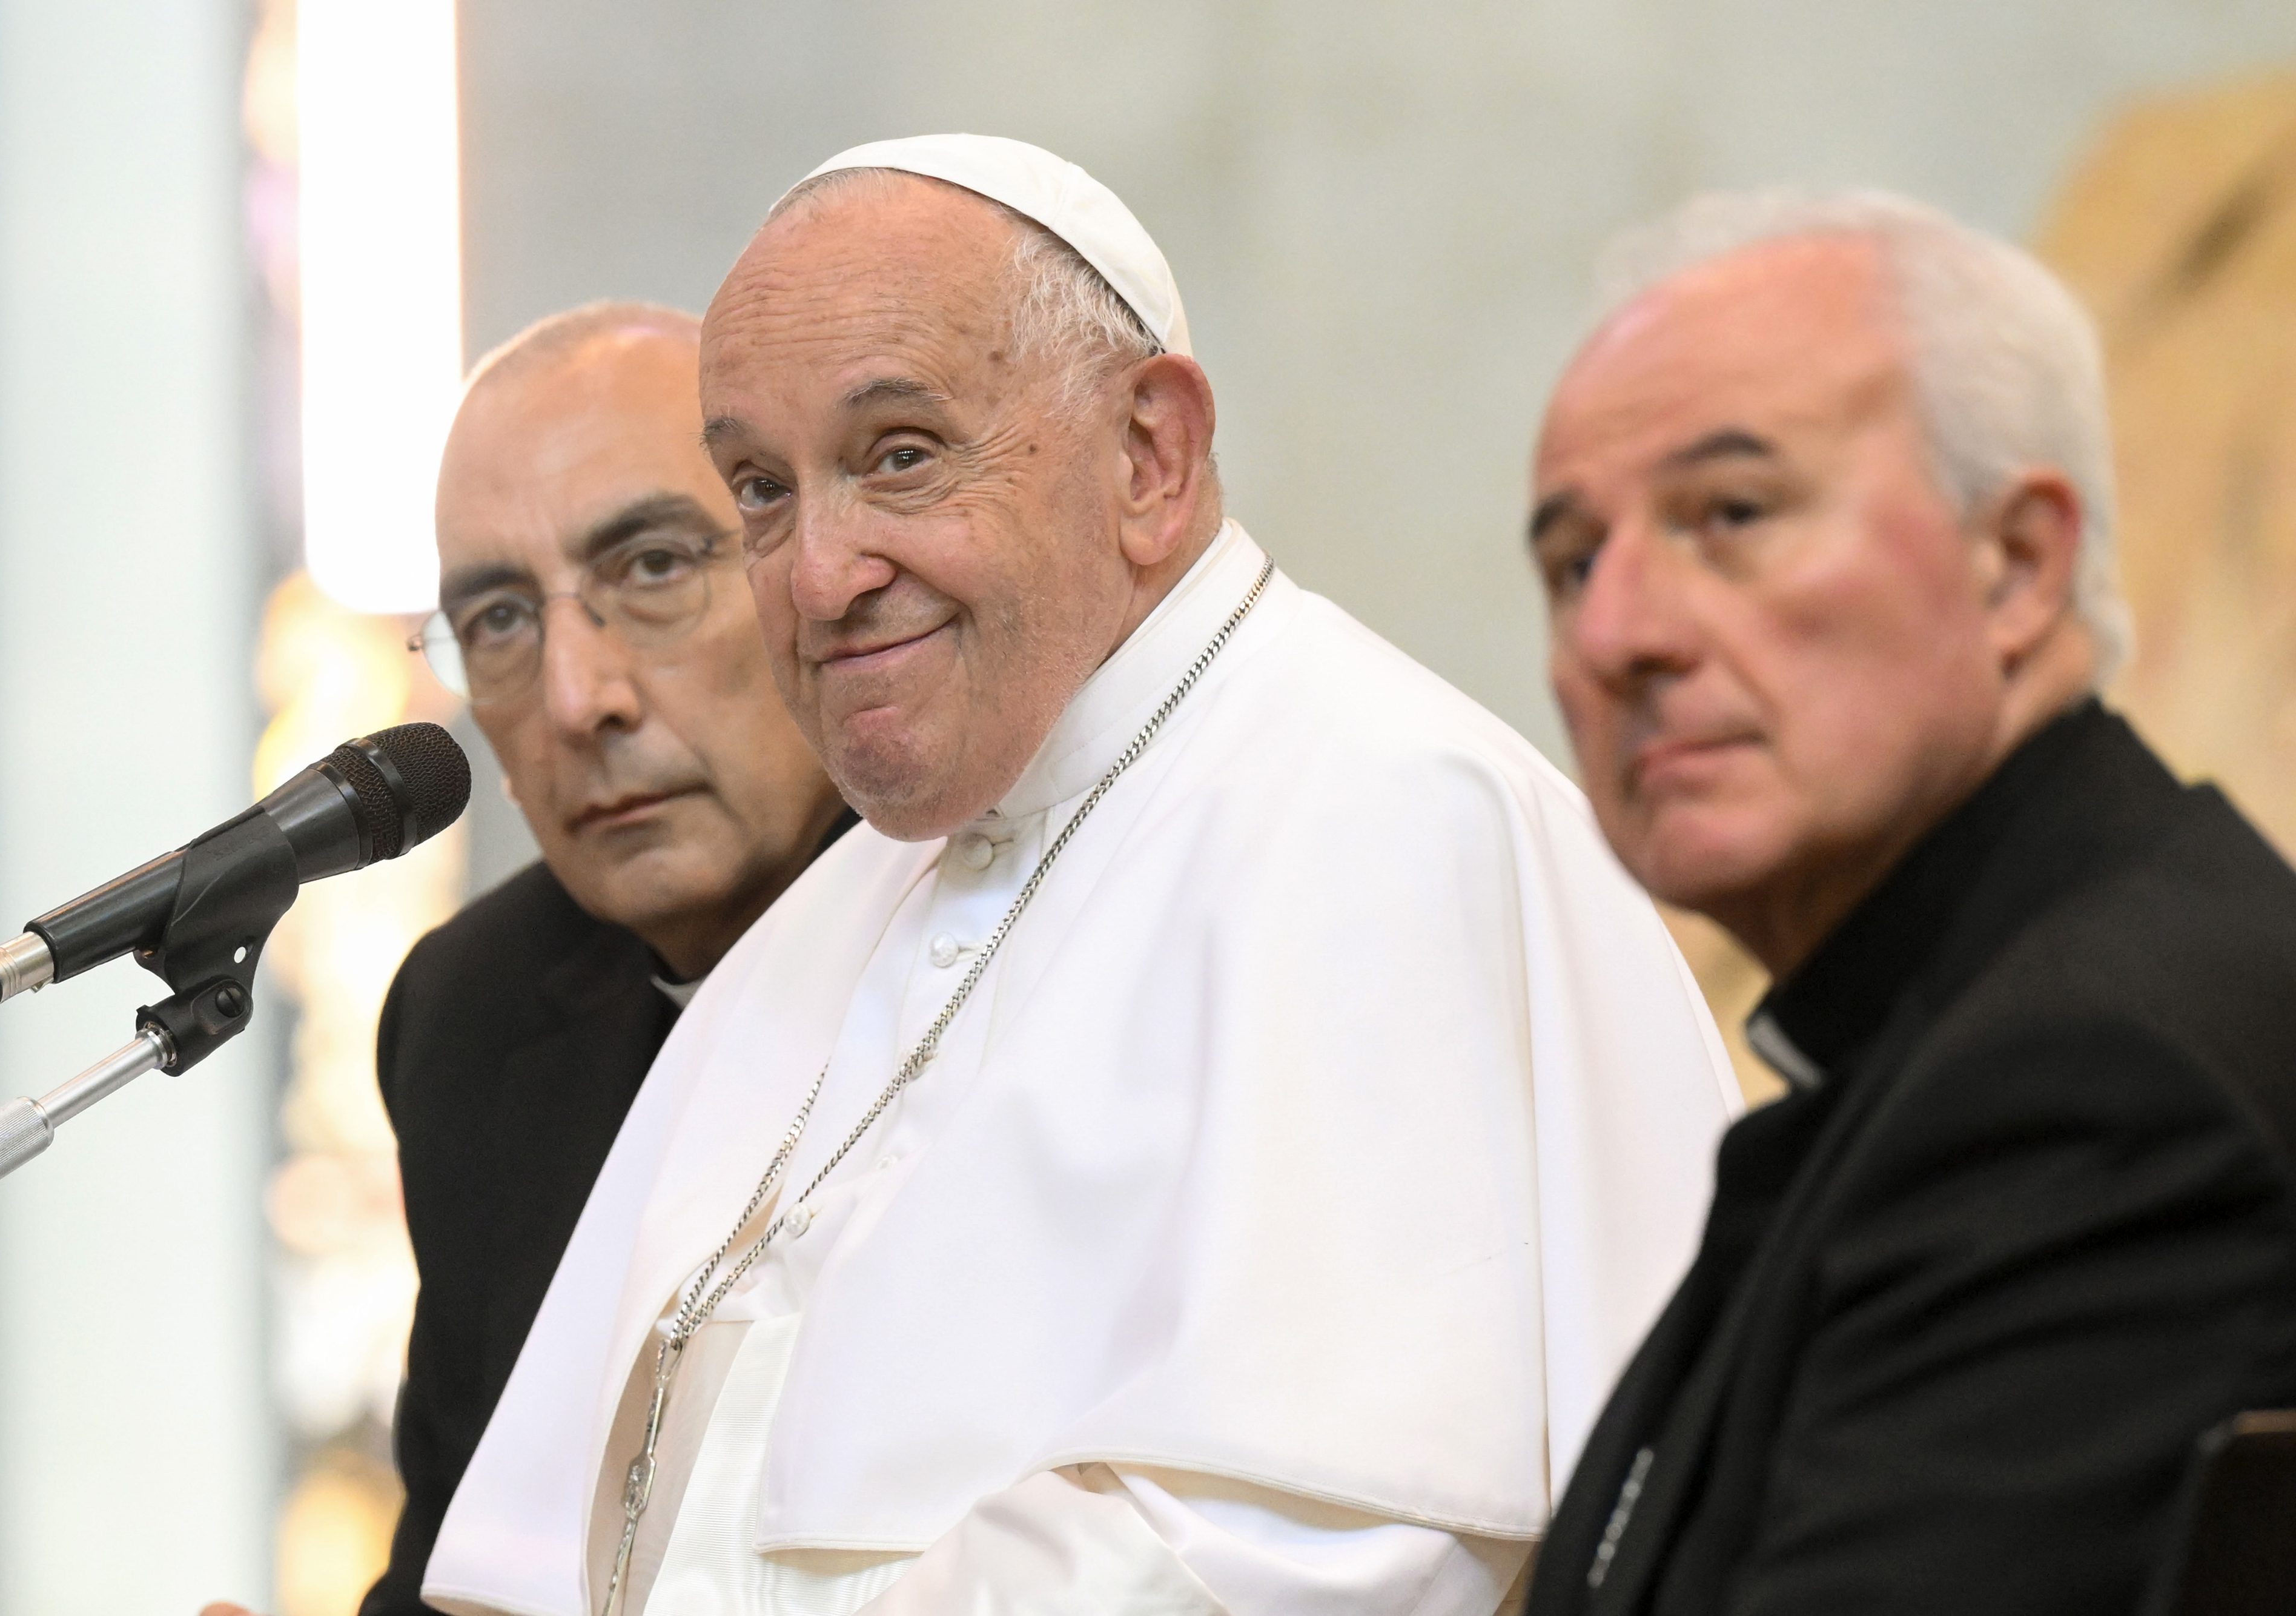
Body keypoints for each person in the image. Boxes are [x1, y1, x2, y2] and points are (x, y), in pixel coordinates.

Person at [423, 136, 1738, 1616]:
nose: (814, 573)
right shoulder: (848, 907)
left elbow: (1298, 1562)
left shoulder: (1391, 818)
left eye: (899, 454)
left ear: (1147, 456)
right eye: (760, 490)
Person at [1521, 190, 2296, 1616]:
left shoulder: (2088, 1080)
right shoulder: (1969, 1013)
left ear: (2014, 564)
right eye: (1573, 562)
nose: (1619, 631)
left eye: (1730, 513)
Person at [361, 302, 852, 1616]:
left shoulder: (1020, 930)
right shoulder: (472, 1011)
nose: (579, 698)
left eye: (648, 567)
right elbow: (455, 1565)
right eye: (501, 618)